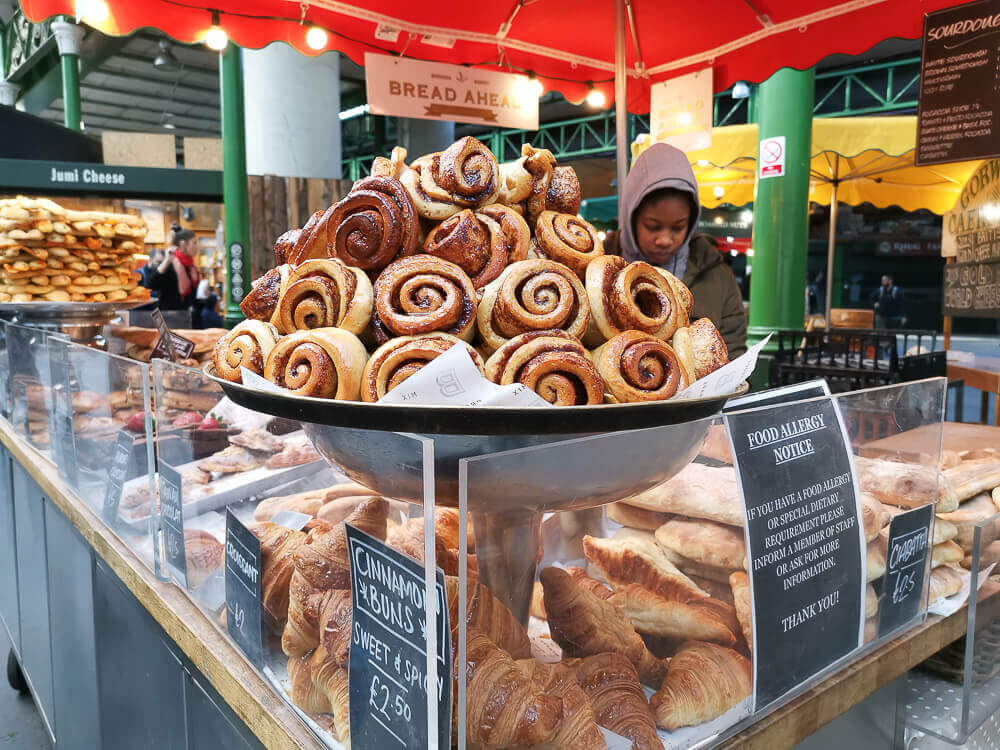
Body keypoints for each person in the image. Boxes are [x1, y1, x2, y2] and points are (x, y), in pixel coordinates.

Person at [607, 142, 747, 356]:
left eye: (678, 227)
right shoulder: (598, 269)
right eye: (652, 226)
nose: (664, 240)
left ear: (691, 223)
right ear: (631, 216)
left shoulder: (717, 276)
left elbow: (733, 352)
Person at [150, 225, 200, 311]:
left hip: (187, 319)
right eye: (194, 243)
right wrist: (166, 261)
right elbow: (152, 284)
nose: (197, 246)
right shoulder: (170, 263)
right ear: (183, 244)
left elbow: (192, 297)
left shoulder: (191, 267)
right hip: (169, 318)